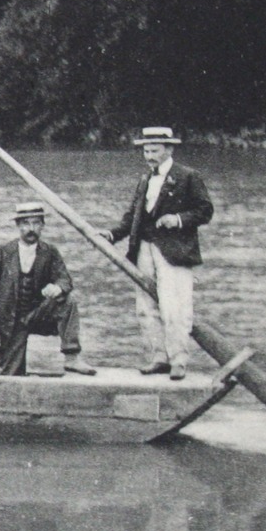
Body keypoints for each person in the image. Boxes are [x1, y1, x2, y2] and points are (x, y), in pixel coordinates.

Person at [97, 126, 215, 380]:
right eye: (146, 151)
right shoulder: (145, 180)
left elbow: (205, 211)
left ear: (169, 149)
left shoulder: (188, 176)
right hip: (144, 249)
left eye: (154, 151)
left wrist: (179, 219)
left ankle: (178, 361)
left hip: (174, 251)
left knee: (175, 307)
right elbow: (133, 217)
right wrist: (113, 234)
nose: (149, 156)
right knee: (145, 308)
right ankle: (159, 357)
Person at [0, 202, 98, 377]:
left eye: (36, 223)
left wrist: (57, 287)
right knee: (12, 374)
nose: (31, 229)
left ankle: (72, 357)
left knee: (68, 301)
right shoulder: (2, 252)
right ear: (18, 226)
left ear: (42, 225)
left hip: (37, 315)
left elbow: (65, 279)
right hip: (9, 322)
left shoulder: (49, 252)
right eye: (26, 224)